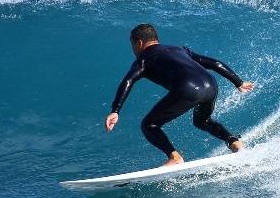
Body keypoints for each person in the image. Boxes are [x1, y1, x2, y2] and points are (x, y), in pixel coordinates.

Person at [105, 23, 255, 166]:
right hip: (211, 85)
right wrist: (238, 83)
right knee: (203, 121)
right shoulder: (180, 49)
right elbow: (214, 63)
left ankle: (174, 157)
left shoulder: (144, 59)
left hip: (188, 88)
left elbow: (128, 81)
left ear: (139, 42)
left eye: (132, 45)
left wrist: (115, 110)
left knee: (149, 125)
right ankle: (234, 142)